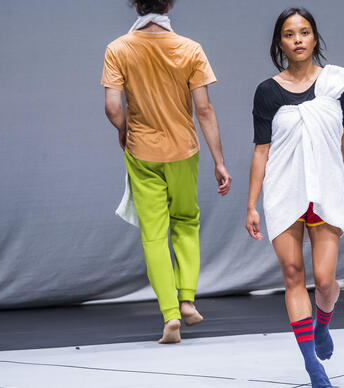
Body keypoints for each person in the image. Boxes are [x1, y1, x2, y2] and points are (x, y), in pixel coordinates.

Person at [245, 7, 344, 387]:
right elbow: (261, 150)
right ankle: (312, 366)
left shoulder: (338, 82)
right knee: (292, 274)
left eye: (303, 32)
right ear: (279, 42)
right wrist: (251, 204)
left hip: (326, 190)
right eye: (288, 34)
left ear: (314, 37)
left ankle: (323, 323)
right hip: (283, 192)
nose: (297, 39)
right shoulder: (267, 92)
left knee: (326, 280)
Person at [101, 0, 232, 344]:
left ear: (134, 4)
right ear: (170, 3)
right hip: (183, 150)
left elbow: (112, 107)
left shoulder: (118, 48)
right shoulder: (190, 49)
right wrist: (219, 160)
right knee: (186, 222)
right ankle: (187, 300)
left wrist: (125, 131)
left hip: (141, 151)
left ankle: (170, 314)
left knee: (154, 235)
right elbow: (203, 109)